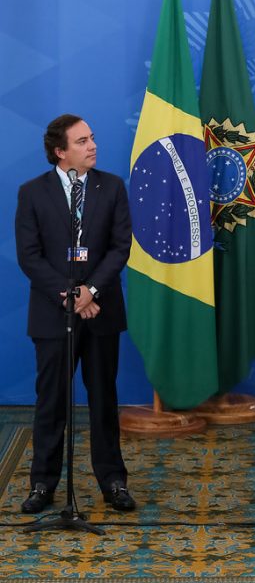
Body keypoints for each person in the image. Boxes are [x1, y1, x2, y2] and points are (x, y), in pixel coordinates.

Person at [14, 114, 135, 513]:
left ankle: (113, 481)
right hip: (53, 316)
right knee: (51, 402)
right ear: (60, 151)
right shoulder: (32, 193)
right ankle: (43, 484)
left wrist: (91, 291)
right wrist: (69, 296)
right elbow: (29, 256)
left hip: (102, 311)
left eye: (92, 138)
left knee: (104, 399)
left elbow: (120, 248)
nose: (92, 146)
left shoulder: (112, 187)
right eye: (82, 141)